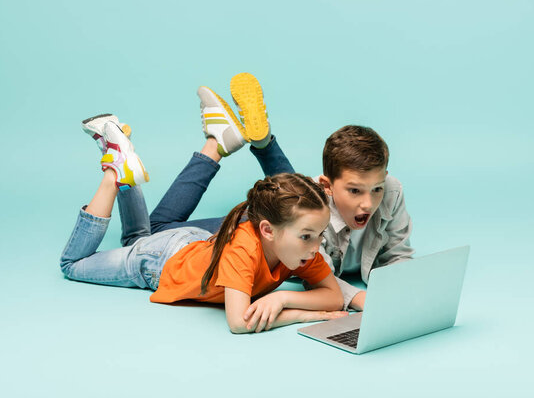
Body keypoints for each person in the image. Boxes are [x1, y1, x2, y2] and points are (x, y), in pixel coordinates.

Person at [59, 113, 346, 333]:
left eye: (320, 234)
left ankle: (123, 164)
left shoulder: (299, 246)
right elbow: (239, 322)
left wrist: (281, 300)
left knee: (137, 238)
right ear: (268, 230)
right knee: (73, 264)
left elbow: (333, 297)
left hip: (192, 243)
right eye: (308, 236)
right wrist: (308, 315)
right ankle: (113, 176)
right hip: (160, 261)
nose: (316, 246)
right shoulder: (244, 249)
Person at [182, 72, 415, 312]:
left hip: (291, 208)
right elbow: (316, 273)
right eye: (355, 190)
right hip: (260, 221)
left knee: (299, 196)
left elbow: (398, 253)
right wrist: (359, 299)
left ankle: (264, 143)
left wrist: (402, 289)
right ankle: (224, 145)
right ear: (328, 186)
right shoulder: (303, 220)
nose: (368, 203)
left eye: (377, 189)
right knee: (155, 229)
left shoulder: (391, 191)